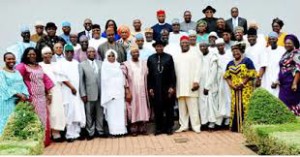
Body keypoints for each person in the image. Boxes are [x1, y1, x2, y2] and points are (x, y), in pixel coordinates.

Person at [16, 47, 54, 146]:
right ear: (26, 55)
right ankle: (35, 142)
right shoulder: (22, 66)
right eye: (29, 54)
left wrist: (49, 93)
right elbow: (16, 80)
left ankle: (44, 141)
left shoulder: (39, 66)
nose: (32, 56)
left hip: (42, 98)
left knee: (44, 117)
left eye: (33, 54)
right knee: (34, 119)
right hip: (31, 98)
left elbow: (45, 79)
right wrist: (20, 94)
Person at [224, 42, 256, 132]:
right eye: (233, 51)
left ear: (241, 51)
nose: (235, 53)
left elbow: (251, 74)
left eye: (237, 50)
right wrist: (231, 85)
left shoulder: (247, 61)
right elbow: (227, 76)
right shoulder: (230, 63)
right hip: (234, 89)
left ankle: (247, 128)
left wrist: (242, 83)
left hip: (246, 89)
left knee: (245, 105)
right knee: (235, 106)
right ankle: (236, 127)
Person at [58, 44, 86, 142]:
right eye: (67, 52)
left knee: (77, 111)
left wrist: (77, 90)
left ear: (73, 53)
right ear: (64, 53)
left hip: (77, 92)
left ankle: (77, 133)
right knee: (69, 112)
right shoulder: (60, 63)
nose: (69, 54)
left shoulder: (76, 63)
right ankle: (69, 135)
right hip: (67, 92)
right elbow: (61, 78)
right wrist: (71, 87)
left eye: (71, 52)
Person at [147, 40, 176, 135]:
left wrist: (172, 86)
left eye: (161, 46)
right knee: (157, 109)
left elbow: (172, 73)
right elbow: (149, 75)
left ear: (163, 47)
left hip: (166, 86)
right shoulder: (151, 58)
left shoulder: (169, 57)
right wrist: (150, 87)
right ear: (155, 47)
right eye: (157, 46)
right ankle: (158, 128)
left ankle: (169, 128)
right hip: (156, 87)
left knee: (169, 108)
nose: (159, 48)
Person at [173, 36, 201, 133]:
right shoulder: (176, 56)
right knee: (182, 108)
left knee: (193, 108)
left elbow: (198, 69)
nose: (184, 44)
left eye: (186, 43)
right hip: (180, 86)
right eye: (182, 43)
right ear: (180, 44)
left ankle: (196, 126)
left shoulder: (194, 54)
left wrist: (196, 81)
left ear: (189, 43)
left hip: (191, 85)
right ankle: (183, 126)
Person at [121, 46, 150, 136]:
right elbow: (124, 78)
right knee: (133, 108)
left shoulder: (144, 63)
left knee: (142, 108)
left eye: (137, 52)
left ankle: (142, 128)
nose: (135, 54)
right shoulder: (126, 64)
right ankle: (134, 128)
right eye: (133, 52)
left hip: (142, 90)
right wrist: (127, 91)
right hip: (132, 90)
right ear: (130, 54)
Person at [39, 47, 66, 142]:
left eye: (50, 53)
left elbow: (62, 78)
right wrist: (47, 92)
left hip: (57, 91)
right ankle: (48, 134)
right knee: (48, 113)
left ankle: (56, 133)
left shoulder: (56, 64)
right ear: (42, 55)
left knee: (57, 113)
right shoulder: (39, 66)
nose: (48, 55)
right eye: (46, 53)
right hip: (45, 92)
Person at [79, 47, 105, 140]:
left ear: (95, 53)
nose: (91, 53)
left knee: (100, 113)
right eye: (89, 51)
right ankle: (90, 132)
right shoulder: (82, 65)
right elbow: (81, 81)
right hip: (89, 93)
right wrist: (83, 94)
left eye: (93, 51)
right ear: (86, 54)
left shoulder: (101, 63)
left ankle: (100, 130)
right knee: (89, 114)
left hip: (101, 93)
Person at [0, 52, 28, 135]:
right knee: (6, 121)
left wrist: (24, 96)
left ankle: (15, 142)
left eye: (13, 58)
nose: (11, 60)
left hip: (19, 102)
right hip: (7, 102)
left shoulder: (17, 72)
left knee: (17, 121)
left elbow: (23, 85)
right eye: (8, 59)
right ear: (4, 60)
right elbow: (3, 87)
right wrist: (19, 95)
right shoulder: (1, 73)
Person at [101, 49, 127, 136]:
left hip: (119, 93)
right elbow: (104, 82)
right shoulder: (104, 66)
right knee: (112, 114)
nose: (111, 57)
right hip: (109, 95)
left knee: (119, 113)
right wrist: (109, 94)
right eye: (109, 56)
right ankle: (113, 131)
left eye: (112, 56)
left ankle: (121, 131)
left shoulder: (119, 65)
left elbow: (122, 79)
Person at [198, 41, 222, 129]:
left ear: (207, 47)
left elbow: (213, 72)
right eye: (201, 46)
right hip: (201, 84)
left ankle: (212, 123)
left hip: (211, 85)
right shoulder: (200, 57)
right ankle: (204, 122)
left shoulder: (213, 56)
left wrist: (207, 86)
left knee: (212, 104)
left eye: (204, 46)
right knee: (203, 104)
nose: (202, 48)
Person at [278, 34, 300, 116]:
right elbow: (282, 68)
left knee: (291, 103)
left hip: (291, 83)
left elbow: (298, 68)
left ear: (294, 44)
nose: (287, 45)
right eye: (286, 43)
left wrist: (295, 83)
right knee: (282, 102)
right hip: (283, 84)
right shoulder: (285, 54)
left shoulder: (296, 53)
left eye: (289, 43)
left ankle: (293, 120)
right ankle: (285, 121)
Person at [262, 32, 285, 97]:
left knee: (277, 97)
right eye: (270, 39)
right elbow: (264, 66)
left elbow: (283, 66)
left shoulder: (282, 50)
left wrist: (277, 80)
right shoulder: (266, 50)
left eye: (273, 39)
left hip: (278, 77)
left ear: (277, 39)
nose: (272, 40)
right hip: (267, 78)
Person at [215, 38, 233, 126]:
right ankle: (220, 119)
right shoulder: (215, 55)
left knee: (228, 98)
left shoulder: (229, 54)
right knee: (220, 99)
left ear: (224, 45)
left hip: (229, 79)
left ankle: (229, 118)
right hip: (218, 80)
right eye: (218, 46)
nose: (220, 47)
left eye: (221, 45)